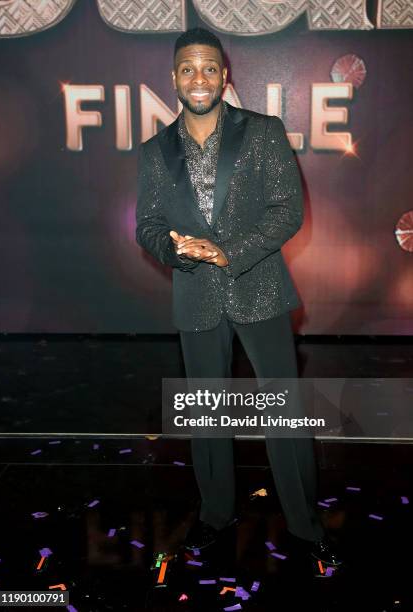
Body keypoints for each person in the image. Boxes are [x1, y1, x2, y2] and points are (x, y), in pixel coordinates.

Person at [136, 26, 342, 571]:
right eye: (187, 69)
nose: (198, 78)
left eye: (208, 68)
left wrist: (229, 251)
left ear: (223, 76)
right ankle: (216, 513)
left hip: (260, 287)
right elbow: (148, 225)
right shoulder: (156, 151)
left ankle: (304, 524)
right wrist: (176, 250)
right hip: (194, 296)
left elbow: (288, 210)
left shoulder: (263, 132)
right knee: (205, 418)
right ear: (174, 78)